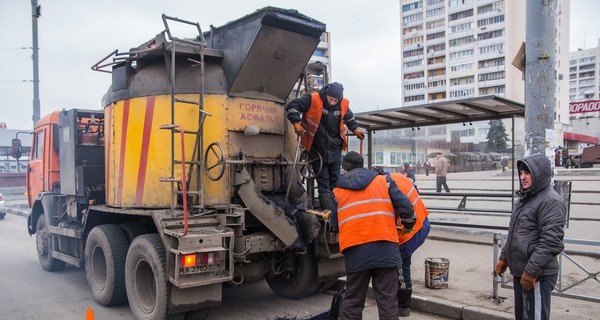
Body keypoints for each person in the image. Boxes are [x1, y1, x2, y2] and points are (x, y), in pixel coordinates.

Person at [329, 152, 416, 320]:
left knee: (353, 302)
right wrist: (408, 224)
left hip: (356, 253)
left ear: (344, 167)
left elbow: (334, 223)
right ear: (362, 164)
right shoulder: (384, 181)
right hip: (385, 249)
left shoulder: (338, 191)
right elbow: (406, 206)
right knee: (388, 303)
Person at [495, 153, 566, 320]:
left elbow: (551, 242)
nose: (523, 177)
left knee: (535, 316)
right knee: (524, 316)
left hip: (537, 274)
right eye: (521, 173)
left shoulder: (550, 201)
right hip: (522, 271)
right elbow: (515, 232)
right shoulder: (524, 199)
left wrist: (531, 271)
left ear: (538, 174)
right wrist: (504, 258)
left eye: (527, 173)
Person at [286, 82, 364, 210]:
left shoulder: (343, 104)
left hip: (335, 147)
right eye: (330, 99)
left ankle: (338, 210)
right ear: (326, 94)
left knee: (335, 179)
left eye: (335, 100)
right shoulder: (313, 99)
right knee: (323, 181)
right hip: (317, 147)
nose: (333, 102)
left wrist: (355, 129)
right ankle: (328, 212)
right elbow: (292, 106)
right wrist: (296, 123)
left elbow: (349, 118)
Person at [372, 167, 430, 317]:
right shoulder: (397, 177)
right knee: (404, 264)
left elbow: (399, 208)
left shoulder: (387, 187)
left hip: (408, 230)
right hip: (422, 222)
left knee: (402, 267)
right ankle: (401, 302)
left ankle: (403, 306)